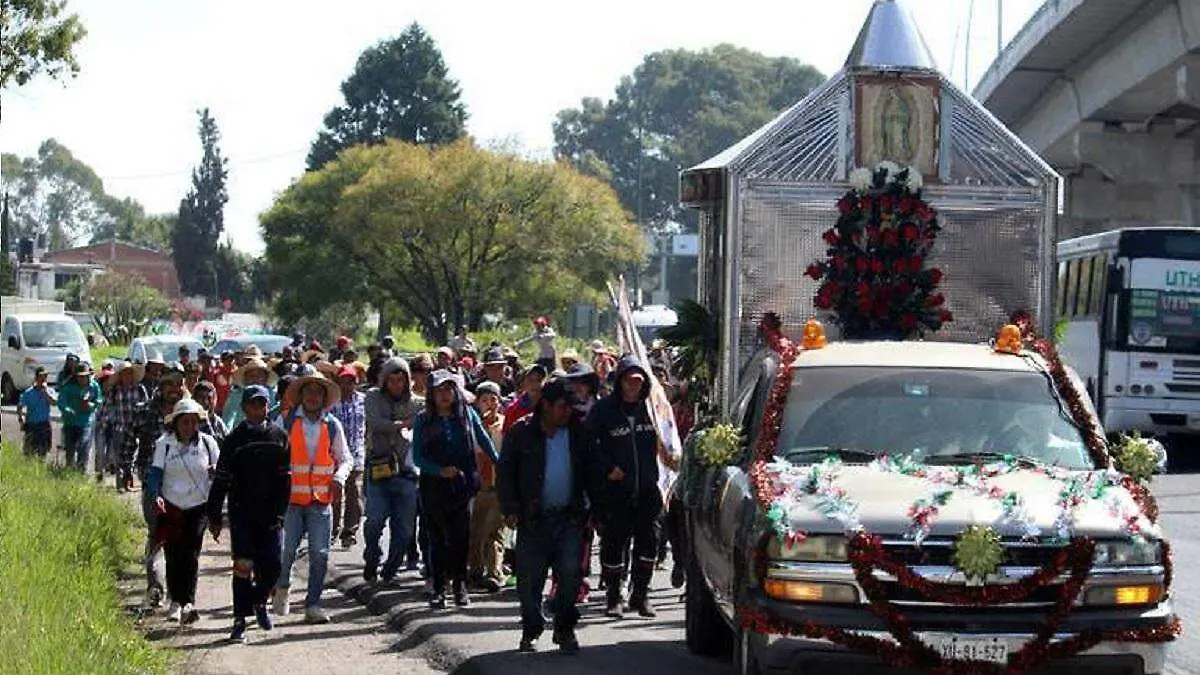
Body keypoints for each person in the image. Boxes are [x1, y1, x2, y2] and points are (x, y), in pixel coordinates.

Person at [498, 378, 594, 653]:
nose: (568, 413)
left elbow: (591, 470)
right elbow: (505, 473)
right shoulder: (521, 432)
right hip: (533, 519)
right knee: (530, 581)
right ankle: (532, 630)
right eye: (563, 407)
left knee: (569, 576)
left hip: (570, 519)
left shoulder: (578, 432)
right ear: (547, 405)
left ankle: (564, 629)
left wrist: (594, 509)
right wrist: (511, 508)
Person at [206, 385, 291, 642]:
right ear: (244, 408)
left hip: (270, 514)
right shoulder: (233, 440)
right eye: (253, 404)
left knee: (273, 567)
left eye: (262, 404)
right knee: (243, 566)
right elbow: (221, 479)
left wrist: (281, 512)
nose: (258, 409)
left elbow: (285, 479)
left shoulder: (279, 436)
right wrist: (214, 515)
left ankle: (259, 602)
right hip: (242, 512)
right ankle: (239, 619)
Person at [272, 366, 353, 624]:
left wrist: (339, 478)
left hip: (321, 499)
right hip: (291, 500)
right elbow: (270, 455)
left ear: (324, 397)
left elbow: (345, 458)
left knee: (320, 553)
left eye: (318, 392)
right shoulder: (284, 421)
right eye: (309, 391)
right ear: (301, 394)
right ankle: (282, 587)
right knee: (286, 551)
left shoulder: (332, 425)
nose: (313, 396)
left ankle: (313, 604)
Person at [412, 370, 498, 609]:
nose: (444, 395)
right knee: (437, 539)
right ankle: (439, 589)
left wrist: (501, 464)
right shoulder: (422, 419)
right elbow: (417, 457)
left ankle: (460, 586)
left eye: (449, 389)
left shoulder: (468, 415)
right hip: (433, 487)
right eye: (439, 390)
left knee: (461, 538)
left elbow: (485, 442)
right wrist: (439, 470)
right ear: (431, 393)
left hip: (463, 485)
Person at [590, 356, 667, 618]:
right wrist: (607, 468)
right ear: (619, 381)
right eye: (628, 380)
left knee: (649, 544)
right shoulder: (604, 411)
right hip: (616, 492)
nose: (633, 386)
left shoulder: (653, 409)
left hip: (647, 490)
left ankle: (641, 596)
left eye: (638, 381)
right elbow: (589, 446)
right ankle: (613, 598)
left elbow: (670, 438)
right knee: (613, 545)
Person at [144, 397, 220, 625]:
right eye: (184, 422)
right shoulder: (164, 444)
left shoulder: (208, 443)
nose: (189, 426)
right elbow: (155, 473)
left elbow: (220, 471)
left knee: (191, 554)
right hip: (171, 506)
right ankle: (175, 602)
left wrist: (215, 472)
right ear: (176, 423)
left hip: (198, 506)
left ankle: (188, 602)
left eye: (192, 422)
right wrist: (155, 495)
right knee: (173, 554)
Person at [362, 357, 424, 583]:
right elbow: (376, 424)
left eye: (402, 380)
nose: (397, 385)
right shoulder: (372, 397)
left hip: (407, 474)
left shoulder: (418, 404)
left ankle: (390, 569)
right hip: (379, 469)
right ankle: (372, 556)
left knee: (405, 529)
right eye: (392, 380)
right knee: (374, 521)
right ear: (384, 380)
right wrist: (403, 424)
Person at [136, 363, 188, 610]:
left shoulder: (191, 413)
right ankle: (155, 586)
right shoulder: (146, 411)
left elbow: (211, 441)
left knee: (180, 542)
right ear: (161, 386)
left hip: (184, 488)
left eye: (178, 383)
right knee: (157, 534)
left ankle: (177, 596)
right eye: (169, 384)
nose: (174, 389)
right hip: (153, 484)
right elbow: (128, 437)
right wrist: (125, 466)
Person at [468, 381, 507, 592]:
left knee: (494, 531)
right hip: (479, 486)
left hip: (498, 486)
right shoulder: (473, 426)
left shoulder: (504, 425)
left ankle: (495, 573)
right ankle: (475, 571)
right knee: (476, 530)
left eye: (493, 399)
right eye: (484, 400)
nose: (489, 404)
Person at [330, 365, 366, 548]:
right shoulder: (331, 403)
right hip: (335, 456)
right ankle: (332, 530)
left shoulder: (364, 401)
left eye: (350, 381)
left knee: (355, 494)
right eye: (343, 381)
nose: (346, 385)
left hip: (357, 455)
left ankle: (349, 532)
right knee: (335, 495)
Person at [99, 360, 148, 491]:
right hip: (120, 428)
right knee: (119, 457)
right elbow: (106, 407)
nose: (128, 376)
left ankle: (129, 480)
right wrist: (103, 424)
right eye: (125, 373)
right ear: (120, 375)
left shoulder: (140, 389)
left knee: (132, 456)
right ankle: (120, 483)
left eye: (130, 373)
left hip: (136, 428)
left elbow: (147, 406)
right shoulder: (115, 390)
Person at [58, 362, 103, 472]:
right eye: (80, 377)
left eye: (85, 376)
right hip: (70, 422)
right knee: (70, 447)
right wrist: (67, 410)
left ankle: (81, 470)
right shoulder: (68, 386)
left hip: (86, 422)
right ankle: (69, 468)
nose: (82, 379)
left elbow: (99, 400)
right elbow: (61, 401)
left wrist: (91, 405)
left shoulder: (94, 386)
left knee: (84, 445)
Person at [222, 357, 276, 430]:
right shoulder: (236, 396)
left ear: (266, 378)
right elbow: (228, 419)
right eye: (251, 376)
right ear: (245, 379)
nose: (255, 379)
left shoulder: (273, 395)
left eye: (259, 376)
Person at [17, 366, 55, 458]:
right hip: (32, 425)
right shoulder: (28, 392)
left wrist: (45, 392)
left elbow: (53, 402)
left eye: (45, 376)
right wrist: (21, 420)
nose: (43, 379)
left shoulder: (49, 391)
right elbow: (20, 406)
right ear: (36, 378)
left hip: (44, 425)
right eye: (41, 376)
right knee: (29, 453)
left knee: (43, 452)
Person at [502, 364, 547, 434]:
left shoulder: (549, 407)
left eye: (539, 380)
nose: (534, 384)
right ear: (523, 383)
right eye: (530, 380)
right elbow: (506, 436)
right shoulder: (513, 410)